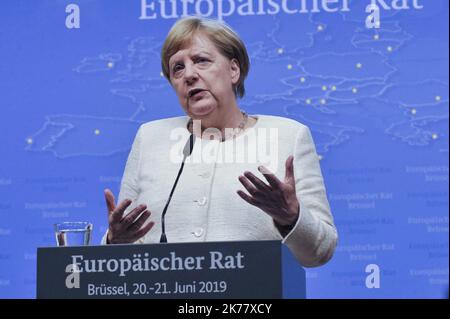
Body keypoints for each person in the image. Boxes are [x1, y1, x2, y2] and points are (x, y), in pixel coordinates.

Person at [102, 16, 338, 267]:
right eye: (177, 68)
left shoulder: (288, 136)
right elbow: (121, 251)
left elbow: (319, 252)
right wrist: (115, 242)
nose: (189, 75)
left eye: (201, 60)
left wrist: (291, 217)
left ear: (233, 70)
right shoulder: (150, 137)